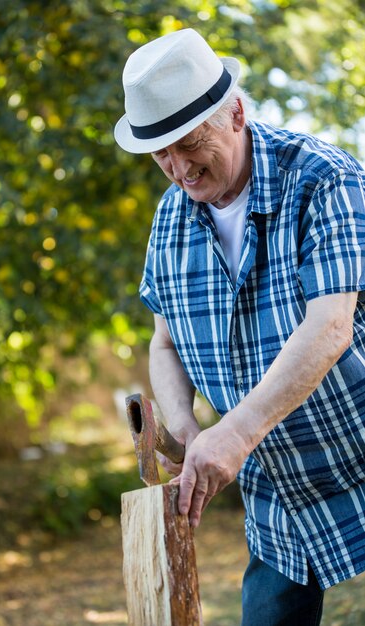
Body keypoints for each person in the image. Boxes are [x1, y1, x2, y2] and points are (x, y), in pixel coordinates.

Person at [114, 28, 365, 626]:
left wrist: (234, 434)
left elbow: (330, 328)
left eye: (189, 143)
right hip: (278, 495)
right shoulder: (170, 220)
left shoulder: (323, 178)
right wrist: (184, 427)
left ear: (236, 114)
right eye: (160, 154)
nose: (178, 169)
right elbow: (165, 341)